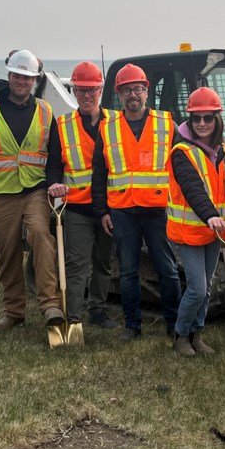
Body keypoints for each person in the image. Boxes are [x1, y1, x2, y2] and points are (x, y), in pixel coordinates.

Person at [0, 50, 65, 334]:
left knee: (40, 234)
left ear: (35, 80)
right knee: (8, 249)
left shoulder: (45, 110)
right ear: (9, 76)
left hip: (35, 189)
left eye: (28, 77)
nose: (22, 81)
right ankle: (13, 311)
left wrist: (53, 183)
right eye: (17, 75)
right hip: (1, 193)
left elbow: (55, 154)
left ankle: (51, 306)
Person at [92, 63, 182, 342]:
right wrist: (102, 211)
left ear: (147, 92)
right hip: (122, 211)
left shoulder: (167, 124)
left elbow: (183, 168)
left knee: (167, 269)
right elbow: (99, 173)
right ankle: (133, 325)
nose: (133, 95)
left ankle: (174, 322)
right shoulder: (107, 128)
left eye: (138, 89)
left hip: (157, 211)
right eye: (127, 90)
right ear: (119, 94)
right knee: (128, 271)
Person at [46, 61, 121, 330]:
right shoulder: (63, 125)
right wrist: (54, 183)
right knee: (76, 264)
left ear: (100, 90)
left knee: (103, 263)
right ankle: (73, 315)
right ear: (73, 91)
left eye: (92, 90)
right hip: (77, 208)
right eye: (81, 91)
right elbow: (55, 162)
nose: (87, 96)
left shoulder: (116, 121)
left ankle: (98, 311)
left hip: (109, 208)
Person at [167, 87, 225, 357]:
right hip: (191, 230)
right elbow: (193, 188)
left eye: (208, 118)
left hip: (215, 231)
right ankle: (181, 336)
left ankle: (198, 334)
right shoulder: (182, 151)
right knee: (197, 287)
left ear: (217, 119)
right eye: (197, 119)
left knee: (207, 288)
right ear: (189, 120)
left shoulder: (222, 151)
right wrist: (210, 215)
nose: (202, 124)